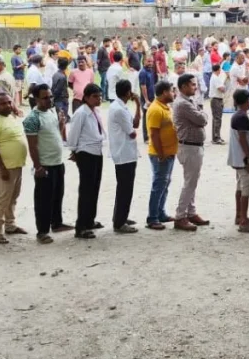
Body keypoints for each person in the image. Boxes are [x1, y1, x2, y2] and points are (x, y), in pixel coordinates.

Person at [23, 84, 72, 244]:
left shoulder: (51, 112)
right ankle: (42, 231)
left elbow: (56, 133)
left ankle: (56, 223)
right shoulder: (32, 118)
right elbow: (32, 145)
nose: (49, 100)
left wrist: (62, 123)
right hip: (45, 164)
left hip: (57, 162)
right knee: (44, 199)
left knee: (58, 195)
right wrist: (38, 166)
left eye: (50, 97)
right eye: (45, 98)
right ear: (36, 99)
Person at [0, 92, 29, 243]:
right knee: (3, 199)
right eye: (3, 103)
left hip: (16, 165)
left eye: (9, 102)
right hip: (4, 168)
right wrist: (2, 167)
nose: (8, 105)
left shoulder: (10, 117)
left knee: (13, 198)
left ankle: (10, 225)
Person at [170, 73, 209, 231]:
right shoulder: (183, 104)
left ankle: (190, 212)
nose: (196, 87)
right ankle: (180, 216)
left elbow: (201, 117)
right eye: (193, 84)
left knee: (192, 181)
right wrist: (202, 114)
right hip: (189, 146)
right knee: (190, 182)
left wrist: (202, 114)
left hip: (194, 145)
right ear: (184, 86)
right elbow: (202, 120)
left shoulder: (189, 101)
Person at [67, 84, 105, 239]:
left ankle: (90, 220)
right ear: (87, 97)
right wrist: (74, 150)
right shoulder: (81, 113)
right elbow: (73, 134)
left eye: (99, 96)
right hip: (85, 152)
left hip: (96, 150)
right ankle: (81, 226)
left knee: (94, 187)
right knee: (86, 190)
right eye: (95, 96)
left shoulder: (95, 111)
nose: (98, 99)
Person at [107, 79, 141, 234]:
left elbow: (135, 124)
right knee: (125, 189)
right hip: (124, 153)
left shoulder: (121, 106)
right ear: (128, 92)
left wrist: (139, 106)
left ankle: (120, 216)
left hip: (126, 153)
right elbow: (132, 132)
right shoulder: (119, 109)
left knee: (125, 188)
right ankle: (119, 223)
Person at [228, 88, 249, 233]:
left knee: (240, 187)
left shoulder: (237, 115)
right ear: (246, 101)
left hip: (237, 158)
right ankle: (244, 221)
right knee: (246, 188)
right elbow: (242, 139)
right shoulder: (242, 118)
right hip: (242, 159)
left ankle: (239, 215)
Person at [146, 80, 177, 230]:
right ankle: (152, 217)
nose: (173, 93)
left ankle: (160, 212)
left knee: (165, 183)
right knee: (158, 185)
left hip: (169, 152)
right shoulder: (155, 109)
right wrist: (161, 154)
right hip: (161, 154)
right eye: (171, 90)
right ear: (164, 92)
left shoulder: (166, 107)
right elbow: (154, 134)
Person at [208, 63, 228, 145]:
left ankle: (215, 136)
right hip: (216, 99)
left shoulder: (216, 77)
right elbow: (221, 89)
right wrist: (225, 87)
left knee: (216, 118)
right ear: (218, 70)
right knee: (217, 119)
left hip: (217, 98)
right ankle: (216, 137)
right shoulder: (215, 78)